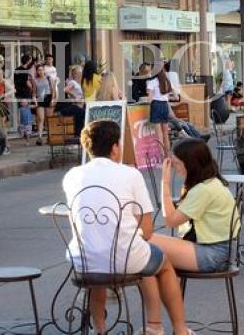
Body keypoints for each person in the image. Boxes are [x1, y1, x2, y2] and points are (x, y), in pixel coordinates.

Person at [63, 120, 194, 335]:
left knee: (102, 264)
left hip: (83, 261)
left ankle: (100, 330)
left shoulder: (72, 176)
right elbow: (147, 230)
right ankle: (175, 329)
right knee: (161, 263)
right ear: (115, 147)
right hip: (126, 260)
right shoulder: (130, 174)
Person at [151, 139, 241, 278]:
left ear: (190, 165)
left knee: (145, 242)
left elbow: (170, 221)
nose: (175, 168)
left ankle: (155, 298)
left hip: (213, 253)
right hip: (219, 250)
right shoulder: (210, 182)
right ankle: (161, 296)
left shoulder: (203, 189)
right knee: (147, 246)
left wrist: (165, 182)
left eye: (177, 164)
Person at [148, 60, 175, 154]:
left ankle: (162, 158)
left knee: (159, 135)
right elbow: (174, 96)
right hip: (165, 106)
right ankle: (167, 156)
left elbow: (150, 99)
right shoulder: (166, 81)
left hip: (156, 106)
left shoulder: (151, 82)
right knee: (165, 134)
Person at [32, 64, 57, 146]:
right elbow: (34, 91)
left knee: (48, 119)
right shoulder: (35, 80)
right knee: (40, 118)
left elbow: (53, 89)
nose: (40, 71)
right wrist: (34, 99)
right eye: (38, 70)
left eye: (41, 70)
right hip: (40, 99)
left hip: (48, 97)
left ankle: (50, 137)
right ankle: (39, 137)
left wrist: (53, 99)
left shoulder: (48, 78)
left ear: (44, 70)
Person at [14, 54, 37, 144]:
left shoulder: (16, 70)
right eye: (30, 60)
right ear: (28, 61)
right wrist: (32, 89)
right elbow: (27, 83)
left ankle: (24, 134)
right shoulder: (25, 71)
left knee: (22, 112)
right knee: (26, 113)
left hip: (18, 94)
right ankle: (27, 135)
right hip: (25, 94)